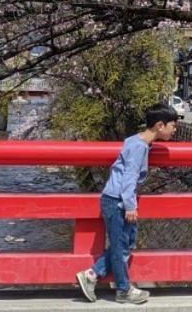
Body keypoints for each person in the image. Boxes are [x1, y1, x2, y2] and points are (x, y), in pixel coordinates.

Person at [76, 104, 179, 305]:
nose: (174, 130)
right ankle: (122, 290)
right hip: (118, 201)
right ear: (160, 125)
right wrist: (130, 205)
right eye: (172, 126)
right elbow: (129, 177)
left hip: (116, 199)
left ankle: (92, 275)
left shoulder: (136, 141)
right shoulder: (139, 147)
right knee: (121, 247)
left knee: (125, 245)